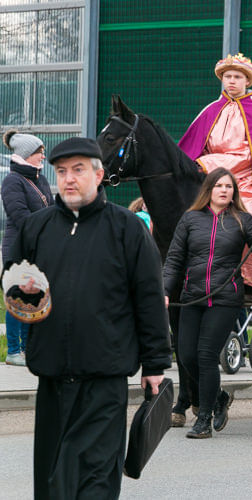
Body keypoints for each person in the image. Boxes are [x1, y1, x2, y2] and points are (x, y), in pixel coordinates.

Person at [4, 137, 171, 498]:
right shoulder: (36, 227)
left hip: (104, 379)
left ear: (98, 174)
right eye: (61, 171)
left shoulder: (128, 229)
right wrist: (23, 294)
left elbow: (149, 298)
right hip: (52, 377)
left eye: (78, 170)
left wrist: (156, 364)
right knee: (52, 482)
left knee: (95, 480)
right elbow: (13, 281)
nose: (68, 178)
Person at [162, 168, 252, 438]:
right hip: (193, 296)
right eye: (219, 186)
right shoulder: (191, 219)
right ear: (209, 189)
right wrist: (165, 291)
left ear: (233, 192)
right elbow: (174, 259)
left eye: (229, 186)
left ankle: (203, 419)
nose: (224, 190)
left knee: (205, 355)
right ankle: (218, 398)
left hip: (226, 299)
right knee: (187, 355)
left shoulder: (242, 220)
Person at [178, 53, 252, 291]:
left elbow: (251, 156)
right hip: (207, 180)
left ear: (247, 81)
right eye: (227, 77)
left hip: (244, 182)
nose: (232, 81)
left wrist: (208, 163)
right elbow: (193, 147)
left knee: (249, 218)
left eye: (237, 77)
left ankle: (248, 283)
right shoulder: (210, 110)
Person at [1, 130, 52, 367]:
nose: (43, 156)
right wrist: (47, 228)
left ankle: (28, 347)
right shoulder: (12, 180)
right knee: (18, 295)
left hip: (39, 245)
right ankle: (13, 351)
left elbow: (50, 208)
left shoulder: (39, 179)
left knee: (34, 296)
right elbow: (19, 215)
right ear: (26, 154)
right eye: (39, 152)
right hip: (18, 246)